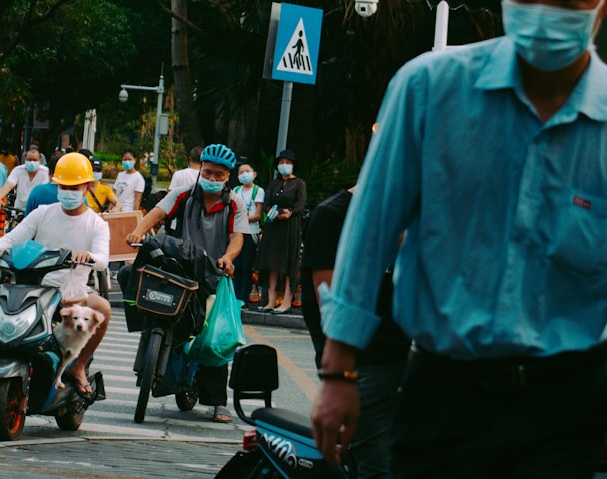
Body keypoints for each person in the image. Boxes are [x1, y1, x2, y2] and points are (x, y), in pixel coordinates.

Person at [311, 1, 607, 477]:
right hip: (443, 395)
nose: (546, 10)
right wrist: (338, 372)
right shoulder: (430, 87)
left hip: (565, 405)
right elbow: (372, 227)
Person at [123, 143, 248, 423]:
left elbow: (238, 237)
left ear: (229, 176)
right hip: (178, 268)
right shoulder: (182, 195)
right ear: (199, 170)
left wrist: (228, 257)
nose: (212, 178)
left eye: (219, 174)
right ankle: (157, 372)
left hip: (213, 273)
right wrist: (137, 232)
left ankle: (217, 403)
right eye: (208, 172)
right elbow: (156, 213)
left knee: (215, 337)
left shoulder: (235, 203)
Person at [300, 186, 409, 479]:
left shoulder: (410, 216)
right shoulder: (333, 215)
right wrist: (338, 377)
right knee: (378, 470)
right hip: (364, 367)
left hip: (407, 362)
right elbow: (330, 304)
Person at [0, 152, 111, 396]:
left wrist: (87, 256)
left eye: (74, 187)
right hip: (33, 289)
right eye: (63, 187)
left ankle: (76, 367)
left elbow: (102, 259)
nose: (68, 192)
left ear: (87, 187)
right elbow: (11, 239)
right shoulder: (42, 213)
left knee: (105, 309)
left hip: (73, 295)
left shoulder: (96, 224)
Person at [254, 149, 306, 314]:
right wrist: (273, 213)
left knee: (289, 263)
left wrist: (287, 213)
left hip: (290, 227)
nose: (284, 165)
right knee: (272, 264)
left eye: (287, 162)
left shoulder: (299, 183)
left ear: (293, 165)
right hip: (273, 227)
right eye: (281, 162)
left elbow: (300, 205)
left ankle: (286, 302)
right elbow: (267, 203)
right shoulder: (273, 184)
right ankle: (270, 301)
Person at [231, 163, 264, 306]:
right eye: (241, 172)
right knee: (235, 265)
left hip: (251, 232)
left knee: (246, 265)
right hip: (237, 231)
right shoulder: (236, 190)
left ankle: (243, 297)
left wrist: (241, 218)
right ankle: (233, 295)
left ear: (254, 174)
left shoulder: (258, 191)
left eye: (247, 171)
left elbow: (257, 215)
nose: (244, 174)